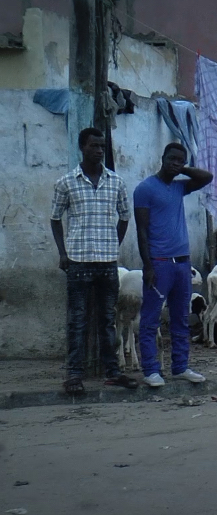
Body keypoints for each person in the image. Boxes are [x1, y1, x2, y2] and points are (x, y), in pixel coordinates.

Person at [51, 128, 138, 394]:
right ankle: (74, 375)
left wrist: (114, 244)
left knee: (107, 319)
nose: (99, 150)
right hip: (78, 262)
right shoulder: (66, 182)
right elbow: (55, 219)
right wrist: (63, 254)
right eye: (93, 146)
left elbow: (125, 216)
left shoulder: (116, 182)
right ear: (82, 147)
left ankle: (112, 372)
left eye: (102, 146)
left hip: (108, 263)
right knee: (77, 320)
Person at [134, 142, 213, 388]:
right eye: (171, 158)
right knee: (151, 318)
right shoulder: (145, 189)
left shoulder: (179, 187)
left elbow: (207, 177)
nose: (175, 163)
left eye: (180, 160)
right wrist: (147, 266)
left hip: (182, 263)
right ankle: (151, 370)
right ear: (162, 157)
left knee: (181, 317)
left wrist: (183, 168)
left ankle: (180, 367)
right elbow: (142, 230)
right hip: (159, 263)